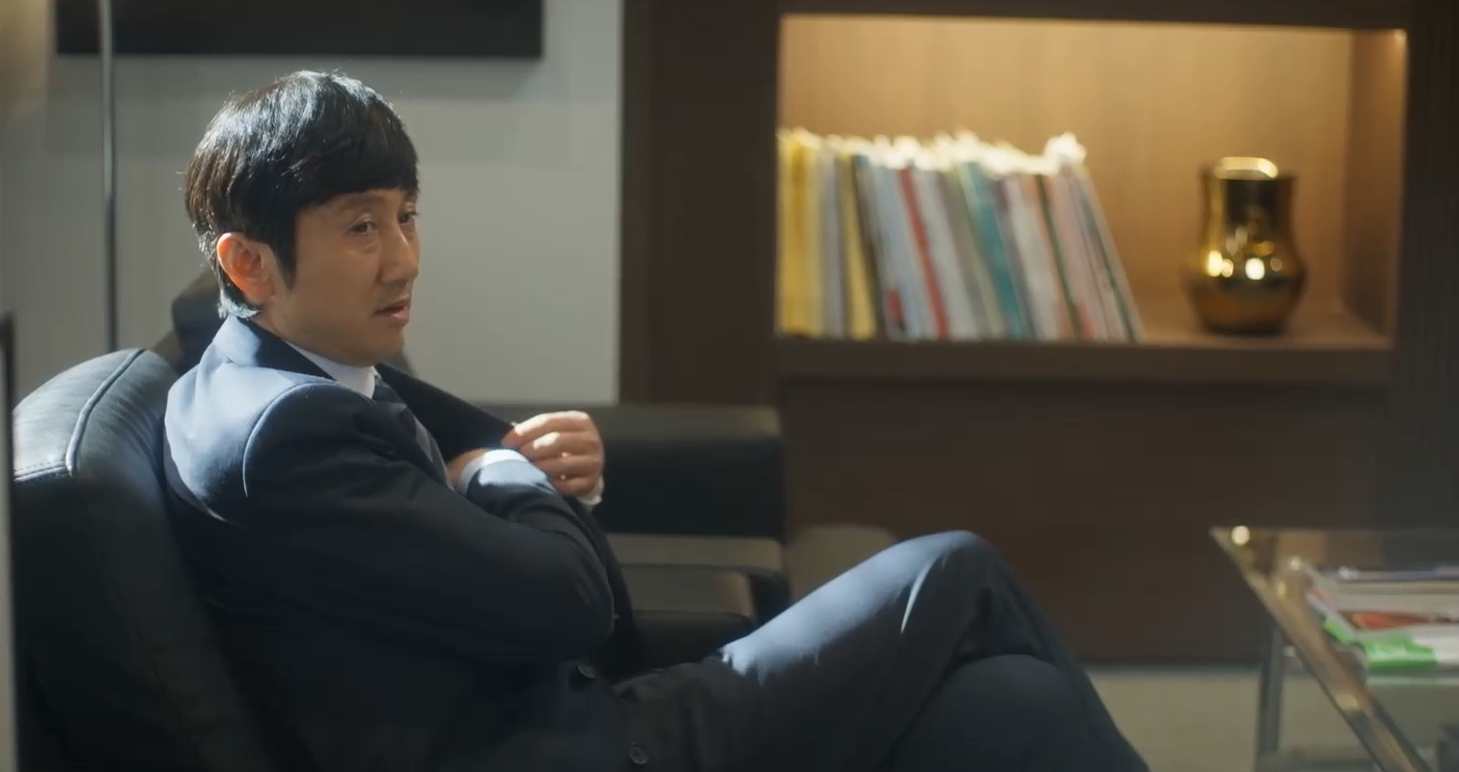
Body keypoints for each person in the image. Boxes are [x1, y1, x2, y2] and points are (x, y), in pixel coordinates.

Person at [161, 70, 1149, 772]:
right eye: (361, 227)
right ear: (250, 263)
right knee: (954, 569)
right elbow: (568, 601)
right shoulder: (284, 435)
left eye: (407, 215)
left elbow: (491, 510)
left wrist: (524, 470)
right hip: (578, 747)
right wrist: (506, 473)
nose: (405, 259)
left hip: (572, 711)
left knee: (1011, 701)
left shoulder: (292, 373)